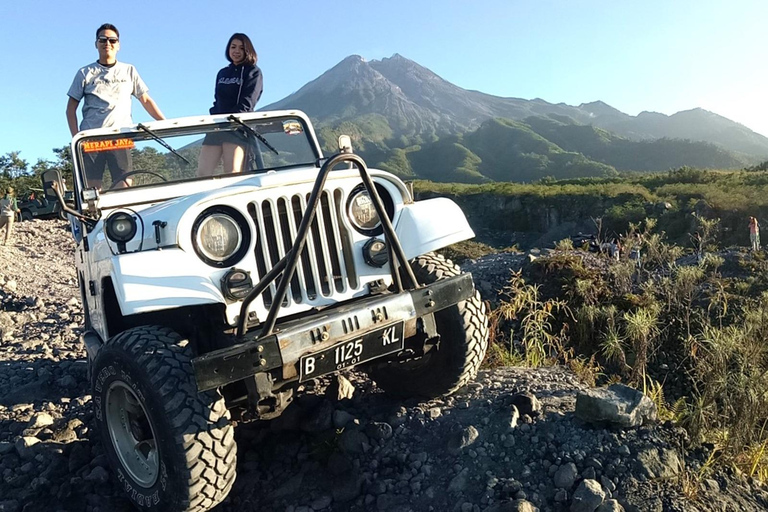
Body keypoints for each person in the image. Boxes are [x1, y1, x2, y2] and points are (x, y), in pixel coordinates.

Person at [66, 23, 165, 190]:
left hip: (120, 137)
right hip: (92, 138)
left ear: (118, 45)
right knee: (92, 188)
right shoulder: (85, 72)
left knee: (124, 184)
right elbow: (70, 109)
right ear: (96, 44)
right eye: (103, 40)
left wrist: (164, 123)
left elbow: (146, 100)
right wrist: (77, 138)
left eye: (112, 40)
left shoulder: (129, 70)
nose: (107, 44)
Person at [197, 33, 263, 177]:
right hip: (216, 126)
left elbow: (248, 102)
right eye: (233, 47)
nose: (236, 51)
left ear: (248, 51)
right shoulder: (222, 73)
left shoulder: (253, 72)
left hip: (236, 127)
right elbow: (217, 100)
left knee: (232, 172)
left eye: (241, 48)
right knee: (203, 173)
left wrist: (232, 121)